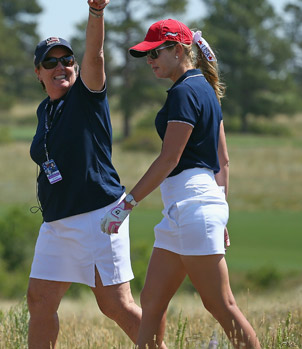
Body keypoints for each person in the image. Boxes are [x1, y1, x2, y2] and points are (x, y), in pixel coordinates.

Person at [101, 19, 261, 348]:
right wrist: (220, 212)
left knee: (220, 304)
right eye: (147, 55)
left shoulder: (184, 92)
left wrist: (126, 205)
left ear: (177, 50)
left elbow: (169, 158)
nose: (150, 60)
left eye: (155, 53)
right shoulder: (203, 88)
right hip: (188, 210)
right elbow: (224, 161)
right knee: (152, 300)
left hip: (191, 208)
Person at [26, 2, 168, 348]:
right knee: (40, 301)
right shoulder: (46, 109)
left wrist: (96, 12)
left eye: (67, 60)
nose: (61, 67)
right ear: (38, 73)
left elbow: (96, 56)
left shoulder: (86, 96)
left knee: (115, 304)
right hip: (57, 221)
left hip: (98, 216)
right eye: (51, 62)